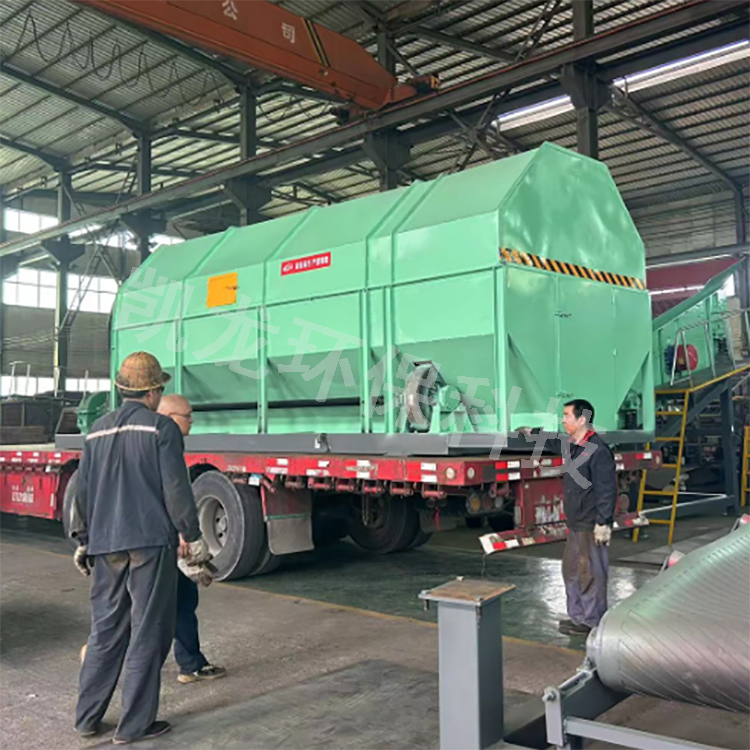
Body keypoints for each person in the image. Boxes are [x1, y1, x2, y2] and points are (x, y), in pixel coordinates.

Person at [71, 352, 211, 744]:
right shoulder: (161, 428)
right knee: (149, 630)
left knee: (106, 630)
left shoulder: (96, 430)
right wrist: (192, 536)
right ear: (153, 392)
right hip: (149, 542)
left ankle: (86, 719)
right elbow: (176, 489)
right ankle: (134, 726)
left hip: (105, 543)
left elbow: (83, 490)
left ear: (122, 390)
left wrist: (83, 539)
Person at [157, 394, 226, 684]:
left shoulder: (155, 441)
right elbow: (172, 492)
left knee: (180, 601)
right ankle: (105, 655)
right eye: (187, 416)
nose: (192, 421)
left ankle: (190, 663)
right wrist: (184, 533)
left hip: (159, 537)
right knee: (165, 605)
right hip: (160, 540)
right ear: (169, 417)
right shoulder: (163, 442)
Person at [558, 398, 617, 636]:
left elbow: (606, 489)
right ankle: (578, 617)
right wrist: (531, 433)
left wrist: (603, 522)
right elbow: (552, 442)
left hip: (590, 523)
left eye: (567, 416)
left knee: (590, 573)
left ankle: (592, 620)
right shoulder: (574, 446)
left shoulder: (598, 450)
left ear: (581, 419)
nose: (563, 420)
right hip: (576, 523)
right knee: (571, 571)